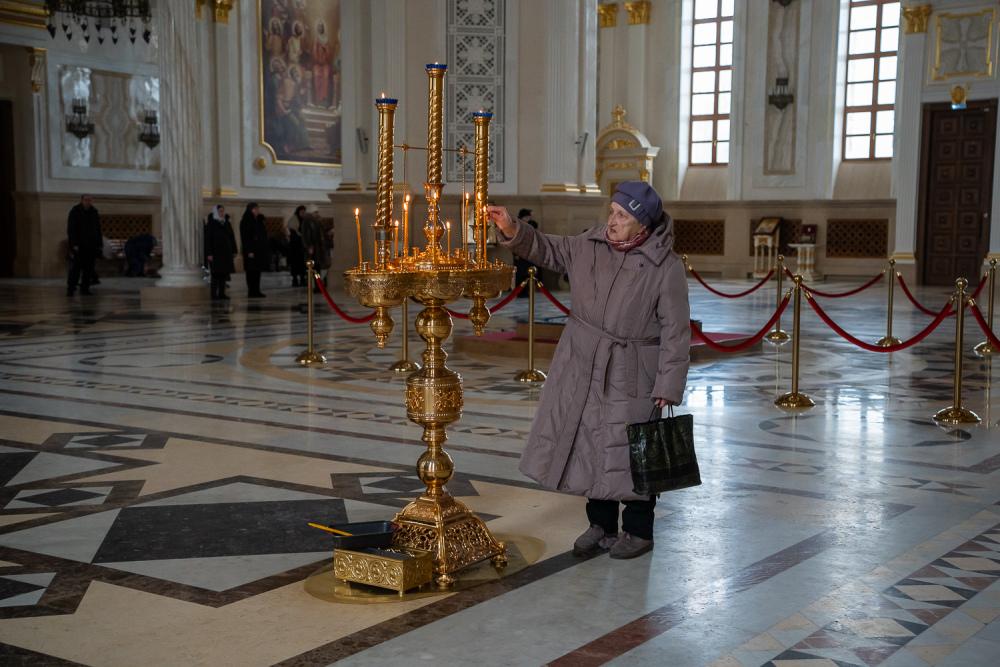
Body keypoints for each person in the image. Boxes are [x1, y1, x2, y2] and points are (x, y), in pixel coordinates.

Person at [487, 181, 690, 560]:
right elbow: (547, 248)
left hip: (633, 369)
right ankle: (600, 525)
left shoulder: (665, 266)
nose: (612, 221)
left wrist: (669, 383)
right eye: (612, 212)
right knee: (590, 443)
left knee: (630, 449)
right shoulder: (589, 244)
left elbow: (676, 330)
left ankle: (638, 531)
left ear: (643, 224)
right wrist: (512, 229)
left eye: (622, 216)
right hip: (583, 363)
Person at [66, 194, 103, 296]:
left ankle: (85, 288)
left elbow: (98, 229)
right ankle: (71, 288)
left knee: (89, 269)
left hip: (91, 245)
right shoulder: (75, 211)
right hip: (79, 245)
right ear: (82, 200)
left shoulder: (94, 212)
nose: (88, 202)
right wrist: (74, 244)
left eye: (90, 200)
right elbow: (71, 229)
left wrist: (99, 244)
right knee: (76, 268)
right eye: (86, 200)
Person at [204, 205, 237, 300]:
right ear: (216, 212)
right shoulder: (211, 223)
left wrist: (234, 250)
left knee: (224, 274)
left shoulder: (226, 223)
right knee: (215, 274)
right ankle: (214, 294)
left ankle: (222, 293)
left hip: (226, 253)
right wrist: (209, 253)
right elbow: (208, 239)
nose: (222, 213)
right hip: (215, 253)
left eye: (223, 211)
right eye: (220, 211)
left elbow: (231, 237)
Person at [240, 202, 270, 298]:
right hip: (251, 251)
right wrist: (249, 250)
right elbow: (246, 238)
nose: (258, 211)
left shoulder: (257, 220)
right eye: (256, 209)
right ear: (251, 209)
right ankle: (251, 291)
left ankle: (256, 290)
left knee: (257, 271)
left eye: (258, 209)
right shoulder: (246, 220)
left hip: (258, 250)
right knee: (251, 271)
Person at [298, 207, 329, 290]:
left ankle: (318, 285)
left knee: (317, 268)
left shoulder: (316, 221)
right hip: (312, 249)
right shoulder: (307, 221)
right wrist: (309, 246)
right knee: (313, 268)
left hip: (317, 249)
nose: (317, 214)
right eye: (316, 212)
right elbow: (305, 235)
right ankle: (315, 285)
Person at [512, 208, 539, 297]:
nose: (528, 219)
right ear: (522, 217)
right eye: (527, 217)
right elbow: (514, 240)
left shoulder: (530, 224)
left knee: (528, 272)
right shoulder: (516, 225)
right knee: (520, 272)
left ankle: (528, 291)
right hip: (519, 252)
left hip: (528, 251)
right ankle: (520, 292)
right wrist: (515, 253)